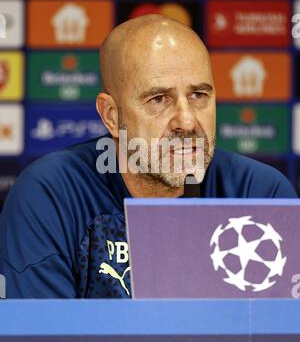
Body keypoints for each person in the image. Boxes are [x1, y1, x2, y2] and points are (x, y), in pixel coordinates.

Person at [0, 15, 297, 299]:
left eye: (199, 96)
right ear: (111, 116)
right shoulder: (52, 195)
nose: (187, 121)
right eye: (159, 99)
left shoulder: (258, 194)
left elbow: (278, 341)